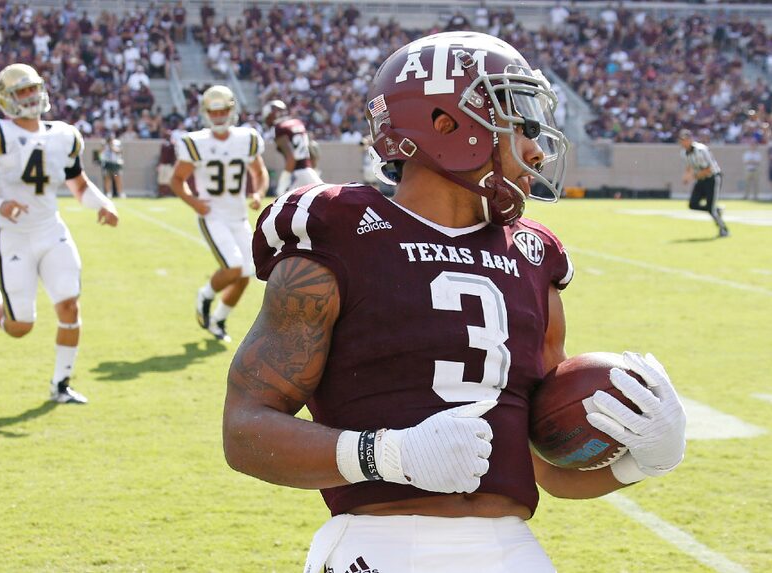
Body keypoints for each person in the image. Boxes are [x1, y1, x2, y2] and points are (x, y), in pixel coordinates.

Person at [223, 32, 686, 572]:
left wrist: (642, 461)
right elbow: (245, 430)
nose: (536, 150)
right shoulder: (342, 232)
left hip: (511, 547)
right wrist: (385, 454)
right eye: (521, 124)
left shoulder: (535, 256)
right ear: (445, 125)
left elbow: (546, 465)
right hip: (380, 542)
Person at [0, 63, 119, 404]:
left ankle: (60, 385)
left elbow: (78, 185)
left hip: (51, 230)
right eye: (22, 91)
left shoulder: (63, 134)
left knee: (69, 306)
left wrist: (102, 204)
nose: (31, 96)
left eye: (33, 88)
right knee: (19, 326)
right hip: (14, 234)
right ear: (6, 98)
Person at [170, 85, 269, 342]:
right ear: (205, 113)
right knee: (234, 266)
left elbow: (259, 173)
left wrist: (258, 193)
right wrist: (194, 202)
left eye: (223, 110)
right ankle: (205, 295)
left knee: (248, 273)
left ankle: (219, 320)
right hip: (212, 215)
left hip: (238, 216)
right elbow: (177, 180)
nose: (219, 116)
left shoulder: (247, 138)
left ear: (232, 110)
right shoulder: (196, 142)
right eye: (213, 112)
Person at [261, 99, 322, 196]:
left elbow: (291, 158)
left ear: (272, 115)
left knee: (283, 203)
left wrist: (284, 180)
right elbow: (313, 152)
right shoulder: (298, 122)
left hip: (297, 175)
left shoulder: (280, 128)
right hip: (310, 171)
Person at [678, 129, 729, 237]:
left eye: (686, 140)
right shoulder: (684, 152)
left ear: (690, 139)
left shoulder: (701, 150)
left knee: (711, 208)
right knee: (693, 204)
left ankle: (724, 229)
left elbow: (709, 169)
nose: (684, 142)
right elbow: (689, 166)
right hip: (701, 179)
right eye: (682, 140)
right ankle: (716, 209)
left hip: (712, 178)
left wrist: (693, 176)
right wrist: (686, 177)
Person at [99, 134, 125, 198]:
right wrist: (105, 146)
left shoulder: (117, 143)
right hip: (107, 164)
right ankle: (108, 193)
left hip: (115, 164)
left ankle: (120, 193)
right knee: (107, 178)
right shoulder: (104, 144)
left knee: (117, 178)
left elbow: (118, 151)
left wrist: (111, 146)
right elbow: (100, 152)